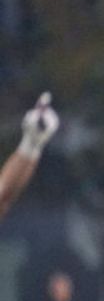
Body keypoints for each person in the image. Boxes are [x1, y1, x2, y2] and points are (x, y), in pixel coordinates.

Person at [0, 92, 58, 221]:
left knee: (10, 196)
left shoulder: (52, 119)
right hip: (22, 153)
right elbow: (31, 132)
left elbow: (43, 137)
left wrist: (41, 128)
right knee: (2, 189)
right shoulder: (31, 115)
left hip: (33, 157)